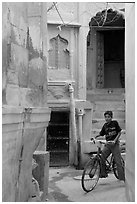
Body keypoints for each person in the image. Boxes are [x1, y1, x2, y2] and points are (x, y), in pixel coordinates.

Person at [95, 110, 125, 181]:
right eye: (105, 117)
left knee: (118, 162)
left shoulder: (115, 123)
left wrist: (115, 140)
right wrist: (95, 137)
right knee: (102, 157)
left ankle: (121, 178)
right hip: (108, 144)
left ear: (111, 117)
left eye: (108, 117)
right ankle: (103, 174)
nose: (107, 118)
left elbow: (119, 132)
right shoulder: (105, 126)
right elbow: (101, 134)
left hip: (115, 144)